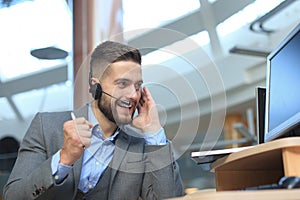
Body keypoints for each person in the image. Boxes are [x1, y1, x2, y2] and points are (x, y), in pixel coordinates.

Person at [3, 41, 184, 200]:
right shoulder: (46, 127)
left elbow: (169, 198)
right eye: (122, 84)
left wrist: (153, 131)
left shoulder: (142, 146)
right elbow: (13, 196)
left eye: (137, 86)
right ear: (95, 86)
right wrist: (64, 158)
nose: (133, 95)